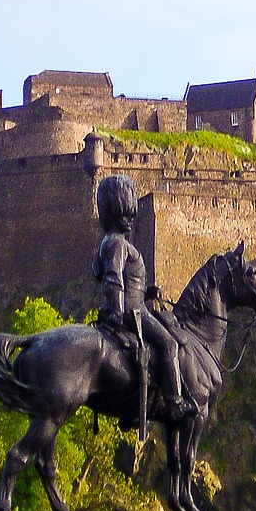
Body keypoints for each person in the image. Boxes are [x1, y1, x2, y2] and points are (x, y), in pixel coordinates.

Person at [92, 174, 196, 421]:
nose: (131, 220)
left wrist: (147, 291)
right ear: (117, 213)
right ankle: (174, 403)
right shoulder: (117, 244)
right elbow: (113, 278)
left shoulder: (110, 242)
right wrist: (118, 312)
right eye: (127, 215)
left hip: (134, 304)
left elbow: (123, 280)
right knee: (169, 344)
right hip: (132, 312)